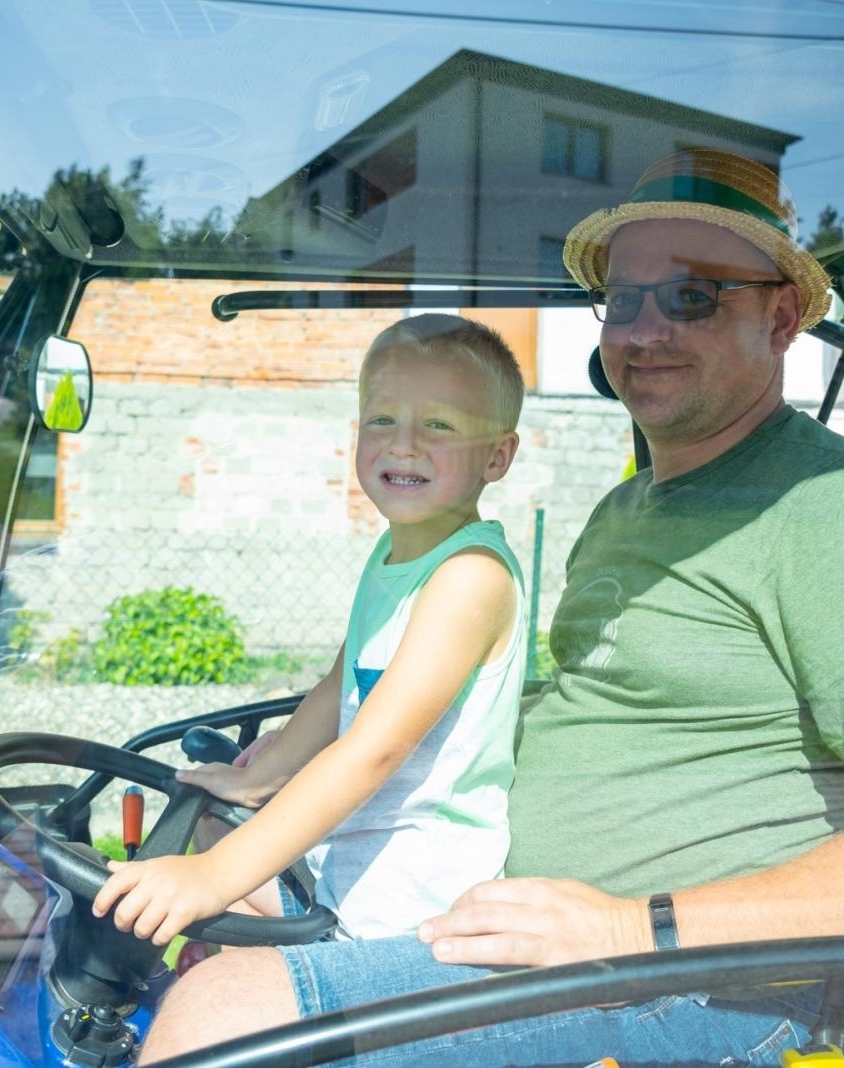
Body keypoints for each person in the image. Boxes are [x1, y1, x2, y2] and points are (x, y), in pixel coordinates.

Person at [136, 149, 844, 1066]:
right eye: (627, 298)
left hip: (688, 989)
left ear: (781, 315)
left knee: (226, 1017)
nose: (645, 332)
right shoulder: (629, 510)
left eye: (691, 296)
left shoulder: (839, 511)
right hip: (522, 925)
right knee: (185, 877)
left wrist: (627, 927)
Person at [94, 313, 529, 945]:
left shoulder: (470, 577)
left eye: (438, 425)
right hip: (351, 857)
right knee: (215, 819)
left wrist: (213, 877)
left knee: (215, 873)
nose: (403, 443)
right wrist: (255, 780)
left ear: (498, 456)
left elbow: (372, 750)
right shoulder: (396, 556)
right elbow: (338, 687)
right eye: (382, 419)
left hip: (407, 901)